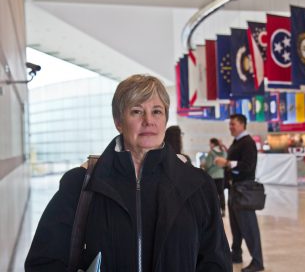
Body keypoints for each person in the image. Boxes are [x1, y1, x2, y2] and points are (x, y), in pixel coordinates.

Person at [25, 74, 231, 272]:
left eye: (157, 111)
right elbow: (44, 262)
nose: (148, 120)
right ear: (118, 121)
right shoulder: (80, 184)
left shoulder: (197, 184)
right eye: (136, 111)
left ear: (165, 120)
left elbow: (215, 262)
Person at [214, 114, 264, 272]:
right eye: (229, 124)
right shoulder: (237, 141)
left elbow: (248, 165)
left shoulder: (248, 142)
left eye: (233, 124)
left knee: (249, 227)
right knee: (236, 226)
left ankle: (257, 261)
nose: (230, 127)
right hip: (235, 189)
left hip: (244, 190)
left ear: (242, 124)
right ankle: (236, 254)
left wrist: (227, 163)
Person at [203, 138, 227, 217]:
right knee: (221, 193)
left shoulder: (211, 153)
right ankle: (223, 210)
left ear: (213, 144)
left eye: (210, 143)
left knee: (212, 194)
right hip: (221, 175)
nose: (209, 145)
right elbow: (225, 162)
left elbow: (207, 165)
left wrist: (204, 166)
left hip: (212, 176)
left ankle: (214, 211)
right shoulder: (223, 152)